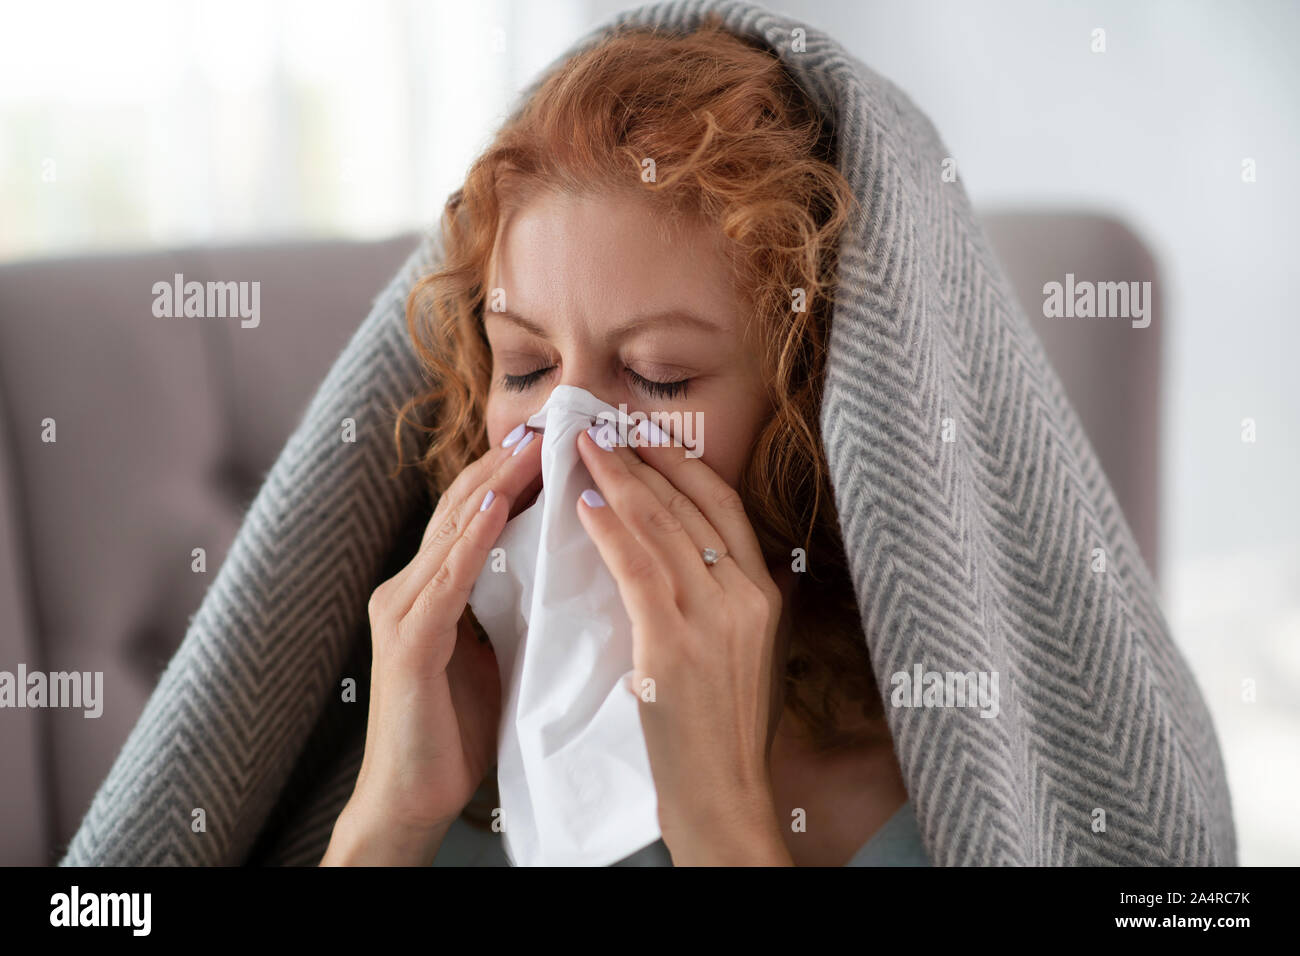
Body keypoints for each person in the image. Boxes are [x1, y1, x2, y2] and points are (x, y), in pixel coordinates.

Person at [320, 14, 924, 867]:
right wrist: (389, 819)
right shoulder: (456, 777)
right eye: (526, 368)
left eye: (659, 376)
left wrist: (720, 817)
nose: (567, 437)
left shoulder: (929, 817)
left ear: (816, 411)